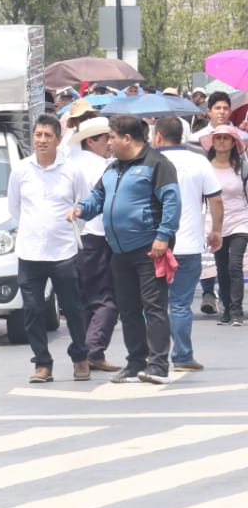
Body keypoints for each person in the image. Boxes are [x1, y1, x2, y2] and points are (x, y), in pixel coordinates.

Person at [69, 114, 181, 385]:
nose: (109, 142)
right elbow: (99, 196)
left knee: (153, 308)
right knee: (128, 309)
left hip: (149, 249)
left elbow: (172, 202)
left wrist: (163, 236)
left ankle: (158, 365)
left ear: (127, 138)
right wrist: (82, 208)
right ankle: (135, 363)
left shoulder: (157, 164)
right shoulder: (113, 168)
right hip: (118, 251)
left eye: (112, 137)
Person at [7, 114, 91, 383]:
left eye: (47, 136)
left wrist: (75, 224)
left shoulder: (72, 170)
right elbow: (14, 209)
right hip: (30, 252)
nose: (42, 140)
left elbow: (85, 205)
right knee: (32, 310)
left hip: (63, 252)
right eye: (38, 135)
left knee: (73, 309)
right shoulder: (21, 170)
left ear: (58, 139)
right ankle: (42, 363)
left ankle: (80, 357)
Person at [153, 117, 222, 371]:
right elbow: (216, 200)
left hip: (154, 245)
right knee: (180, 304)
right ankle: (182, 357)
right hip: (189, 245)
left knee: (153, 304)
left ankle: (154, 356)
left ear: (158, 136)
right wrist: (216, 230)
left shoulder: (149, 162)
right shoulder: (199, 161)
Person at [65, 117, 120, 371]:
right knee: (107, 298)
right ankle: (94, 349)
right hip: (98, 236)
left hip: (73, 238)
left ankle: (87, 348)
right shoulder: (104, 168)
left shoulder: (68, 164)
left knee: (86, 297)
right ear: (91, 141)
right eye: (105, 138)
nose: (110, 143)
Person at [202, 123, 247, 327]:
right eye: (218, 137)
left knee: (234, 265)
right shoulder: (205, 167)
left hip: (241, 221)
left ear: (233, 142)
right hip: (216, 225)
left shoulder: (242, 166)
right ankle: (227, 309)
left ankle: (237, 311)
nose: (221, 141)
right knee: (221, 268)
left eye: (225, 138)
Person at [198, 91, 236, 313]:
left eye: (225, 108)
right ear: (209, 111)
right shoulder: (197, 140)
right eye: (218, 108)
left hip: (234, 205)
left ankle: (226, 295)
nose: (222, 112)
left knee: (230, 258)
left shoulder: (239, 136)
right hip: (205, 204)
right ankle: (207, 293)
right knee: (208, 251)